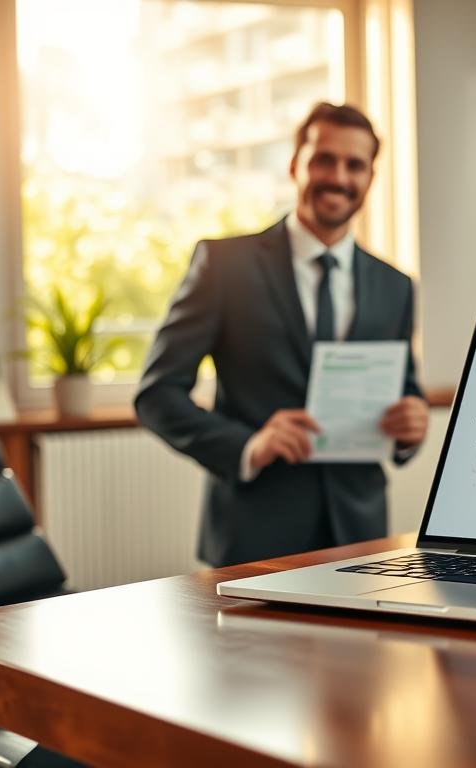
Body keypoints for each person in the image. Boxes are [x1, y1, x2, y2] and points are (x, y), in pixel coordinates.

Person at [134, 102, 429, 567]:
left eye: (355, 165)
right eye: (324, 159)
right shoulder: (224, 266)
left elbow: (402, 389)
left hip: (360, 537)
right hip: (253, 534)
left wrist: (411, 426)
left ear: (371, 178)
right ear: (295, 165)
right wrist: (248, 446)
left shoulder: (396, 285)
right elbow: (156, 395)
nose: (339, 176)